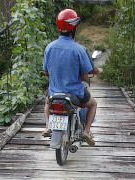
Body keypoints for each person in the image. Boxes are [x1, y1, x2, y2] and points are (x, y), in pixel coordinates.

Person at [42, 9, 101, 146]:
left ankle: (48, 127)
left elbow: (46, 72)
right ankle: (86, 131)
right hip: (75, 93)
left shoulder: (49, 48)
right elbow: (85, 76)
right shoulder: (79, 49)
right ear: (73, 29)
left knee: (46, 102)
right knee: (93, 104)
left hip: (54, 93)